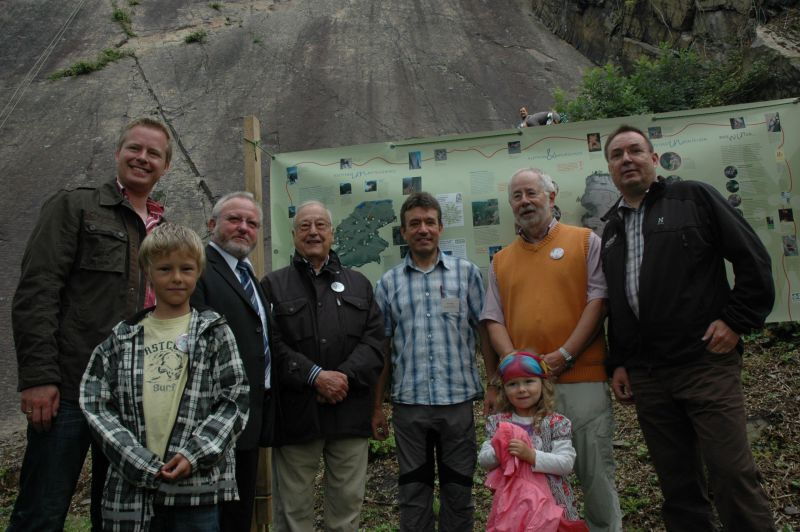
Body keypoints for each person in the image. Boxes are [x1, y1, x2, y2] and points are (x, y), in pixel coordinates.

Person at [602, 124, 776, 531]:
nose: (626, 159)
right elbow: (620, 304)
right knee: (678, 486)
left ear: (653, 158)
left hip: (704, 365)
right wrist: (620, 361)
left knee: (731, 473)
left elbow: (754, 260)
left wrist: (736, 321)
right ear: (609, 168)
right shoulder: (611, 228)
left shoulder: (693, 197)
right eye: (617, 155)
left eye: (634, 151)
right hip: (649, 376)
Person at [9, 117, 172, 531]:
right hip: (69, 388)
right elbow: (37, 292)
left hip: (131, 398)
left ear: (165, 166)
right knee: (41, 513)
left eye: (154, 153)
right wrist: (38, 377)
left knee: (116, 515)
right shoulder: (75, 206)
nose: (142, 158)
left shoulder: (163, 229)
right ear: (117, 153)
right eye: (135, 148)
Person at [80, 223, 249, 531]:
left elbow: (235, 399)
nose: (176, 278)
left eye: (186, 269)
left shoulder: (215, 331)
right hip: (132, 493)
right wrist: (138, 461)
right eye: (165, 269)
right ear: (147, 271)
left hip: (196, 490)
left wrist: (194, 454)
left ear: (198, 272)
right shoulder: (122, 338)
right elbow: (95, 403)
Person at [481, 168, 623, 531]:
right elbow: (493, 319)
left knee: (595, 475)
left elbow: (599, 300)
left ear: (552, 196)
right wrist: (516, 368)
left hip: (581, 378)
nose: (525, 201)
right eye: (517, 196)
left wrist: (565, 354)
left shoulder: (584, 241)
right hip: (524, 394)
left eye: (532, 193)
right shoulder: (501, 261)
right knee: (529, 482)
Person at [372, 192, 495, 531]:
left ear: (441, 227)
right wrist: (376, 406)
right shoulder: (388, 283)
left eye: (429, 222)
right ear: (403, 232)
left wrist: (493, 384)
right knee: (413, 492)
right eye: (414, 224)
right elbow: (382, 347)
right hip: (409, 407)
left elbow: (483, 332)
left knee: (459, 491)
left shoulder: (467, 274)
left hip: (457, 403)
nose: (422, 229)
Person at [261, 200, 384, 531]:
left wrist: (341, 377)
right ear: (293, 235)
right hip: (297, 415)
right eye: (305, 226)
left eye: (320, 225)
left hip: (349, 413)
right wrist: (314, 377)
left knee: (346, 509)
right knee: (292, 512)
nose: (313, 232)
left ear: (332, 233)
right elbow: (270, 345)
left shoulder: (360, 284)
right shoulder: (272, 285)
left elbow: (375, 343)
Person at [189, 191, 274, 531]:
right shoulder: (197, 268)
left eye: (252, 223)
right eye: (234, 220)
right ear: (212, 224)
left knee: (238, 513)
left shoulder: (247, 273)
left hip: (248, 414)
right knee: (213, 517)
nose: (244, 228)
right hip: (213, 416)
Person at [479, 351, 586, 531]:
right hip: (514, 506)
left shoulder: (556, 423)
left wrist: (531, 455)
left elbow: (566, 463)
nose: (521, 389)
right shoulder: (499, 423)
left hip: (553, 502)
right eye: (513, 384)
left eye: (529, 381)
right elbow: (483, 460)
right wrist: (500, 450)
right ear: (504, 390)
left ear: (543, 385)